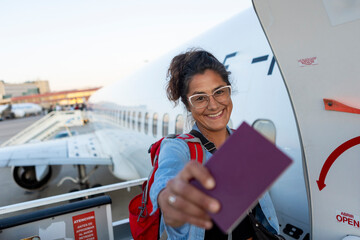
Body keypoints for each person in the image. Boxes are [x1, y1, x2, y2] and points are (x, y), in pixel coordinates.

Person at [149, 49, 280, 240]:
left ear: (228, 91)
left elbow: (263, 215)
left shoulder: (246, 143)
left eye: (219, 92)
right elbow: (166, 180)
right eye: (200, 98)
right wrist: (169, 200)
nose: (213, 105)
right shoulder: (179, 148)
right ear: (187, 104)